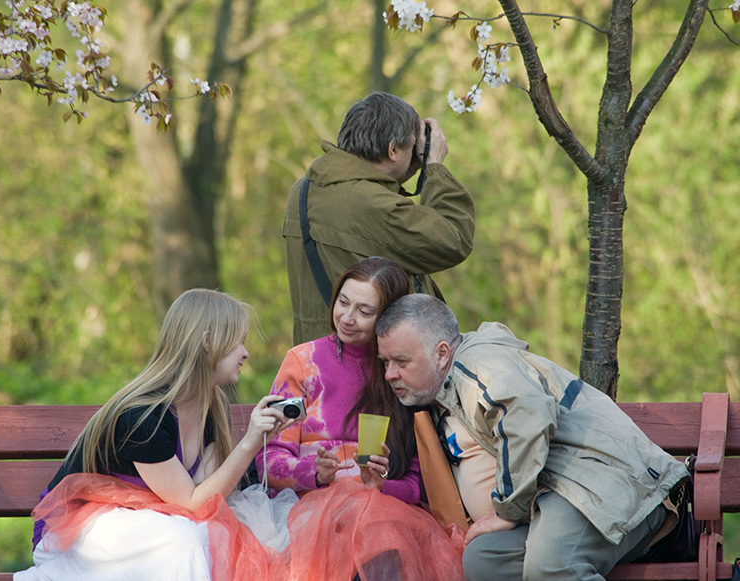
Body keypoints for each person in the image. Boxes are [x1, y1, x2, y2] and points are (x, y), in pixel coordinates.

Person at [375, 294, 690, 581]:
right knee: (485, 562)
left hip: (603, 480)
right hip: (557, 492)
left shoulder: (479, 363)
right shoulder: (448, 387)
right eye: (386, 363)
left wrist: (507, 509)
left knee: (552, 567)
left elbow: (528, 415)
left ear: (441, 352)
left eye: (401, 362)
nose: (390, 374)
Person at [15, 289, 296, 581]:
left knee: (216, 533)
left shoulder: (209, 408)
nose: (245, 353)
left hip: (150, 521)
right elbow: (192, 503)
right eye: (239, 340)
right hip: (71, 533)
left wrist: (263, 438)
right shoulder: (144, 418)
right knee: (189, 540)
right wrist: (249, 444)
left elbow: (206, 493)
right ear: (208, 342)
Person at [257, 257, 465, 581]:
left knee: (381, 533)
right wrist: (314, 472)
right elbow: (269, 459)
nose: (347, 318)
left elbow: (415, 481)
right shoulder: (303, 362)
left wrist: (381, 487)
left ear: (387, 318)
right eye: (343, 302)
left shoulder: (399, 374)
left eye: (365, 312)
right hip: (307, 512)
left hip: (382, 515)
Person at [284, 91, 476, 345]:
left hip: (317, 363)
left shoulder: (305, 188)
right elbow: (453, 238)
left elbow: (369, 210)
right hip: (371, 372)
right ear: (393, 149)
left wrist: (404, 169)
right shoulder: (375, 206)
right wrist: (434, 166)